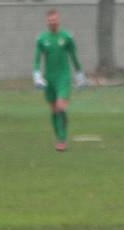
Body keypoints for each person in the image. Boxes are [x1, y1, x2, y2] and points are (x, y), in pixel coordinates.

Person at [33, 9, 87, 151]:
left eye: (55, 19)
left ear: (59, 20)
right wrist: (37, 74)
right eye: (50, 20)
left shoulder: (66, 37)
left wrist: (79, 74)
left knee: (60, 107)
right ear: (47, 22)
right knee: (53, 110)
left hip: (63, 77)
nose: (53, 22)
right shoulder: (42, 39)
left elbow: (74, 56)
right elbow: (37, 59)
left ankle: (62, 139)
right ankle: (59, 137)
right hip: (49, 78)